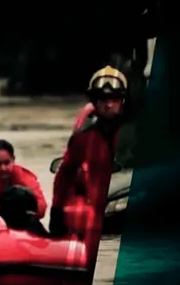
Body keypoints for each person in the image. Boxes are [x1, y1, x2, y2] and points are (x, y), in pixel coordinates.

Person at [49, 66, 128, 252]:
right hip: (99, 215)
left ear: (122, 101)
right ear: (95, 101)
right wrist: (56, 210)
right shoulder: (83, 137)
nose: (108, 105)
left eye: (114, 99)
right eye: (103, 100)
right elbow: (65, 174)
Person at [0, 139, 48, 219]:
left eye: (7, 163)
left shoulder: (23, 176)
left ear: (13, 160)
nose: (3, 168)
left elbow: (41, 208)